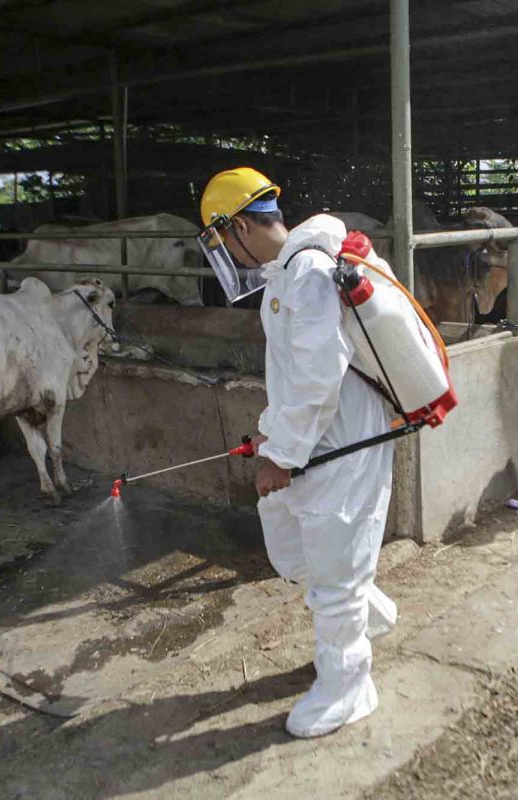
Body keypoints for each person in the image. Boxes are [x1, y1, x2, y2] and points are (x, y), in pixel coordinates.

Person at [196, 167, 397, 738]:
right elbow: (291, 376)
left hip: (345, 441)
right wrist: (272, 434)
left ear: (236, 226)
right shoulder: (287, 274)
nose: (224, 253)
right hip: (318, 438)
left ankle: (348, 687)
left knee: (332, 567)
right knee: (289, 538)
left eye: (220, 239)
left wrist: (280, 456)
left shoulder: (306, 271)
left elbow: (316, 379)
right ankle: (367, 608)